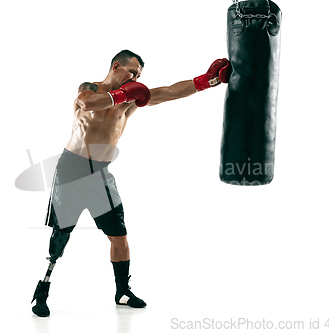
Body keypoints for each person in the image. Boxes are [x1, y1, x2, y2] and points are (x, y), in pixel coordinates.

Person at [31, 50, 231, 317]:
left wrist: (208, 81)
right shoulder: (91, 88)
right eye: (132, 72)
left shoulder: (130, 101)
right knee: (61, 234)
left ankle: (122, 291)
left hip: (100, 173)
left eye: (138, 75)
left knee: (119, 236)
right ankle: (42, 290)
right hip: (71, 169)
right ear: (116, 67)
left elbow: (169, 91)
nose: (136, 78)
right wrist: (121, 95)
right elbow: (88, 103)